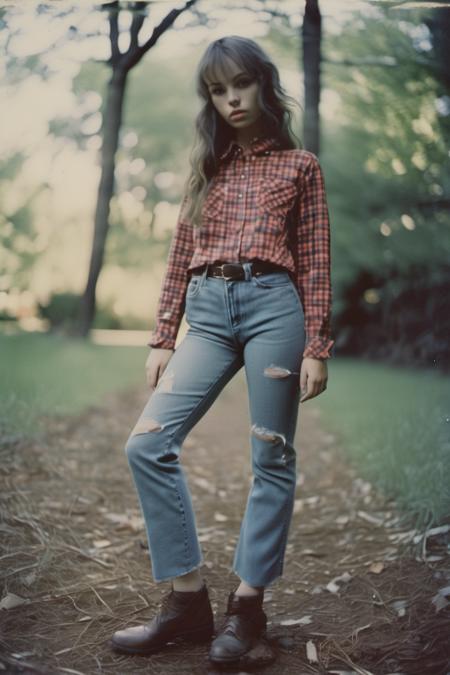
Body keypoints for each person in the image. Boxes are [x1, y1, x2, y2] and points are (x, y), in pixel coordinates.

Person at [110, 35, 334, 667]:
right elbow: (180, 255)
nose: (231, 98)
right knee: (147, 444)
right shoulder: (206, 168)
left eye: (241, 83)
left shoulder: (301, 166)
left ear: (264, 83)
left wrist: (317, 343)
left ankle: (247, 610)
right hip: (207, 315)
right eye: (217, 89)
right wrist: (163, 333)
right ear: (208, 99)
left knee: (271, 456)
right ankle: (186, 604)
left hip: (274, 307)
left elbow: (315, 258)